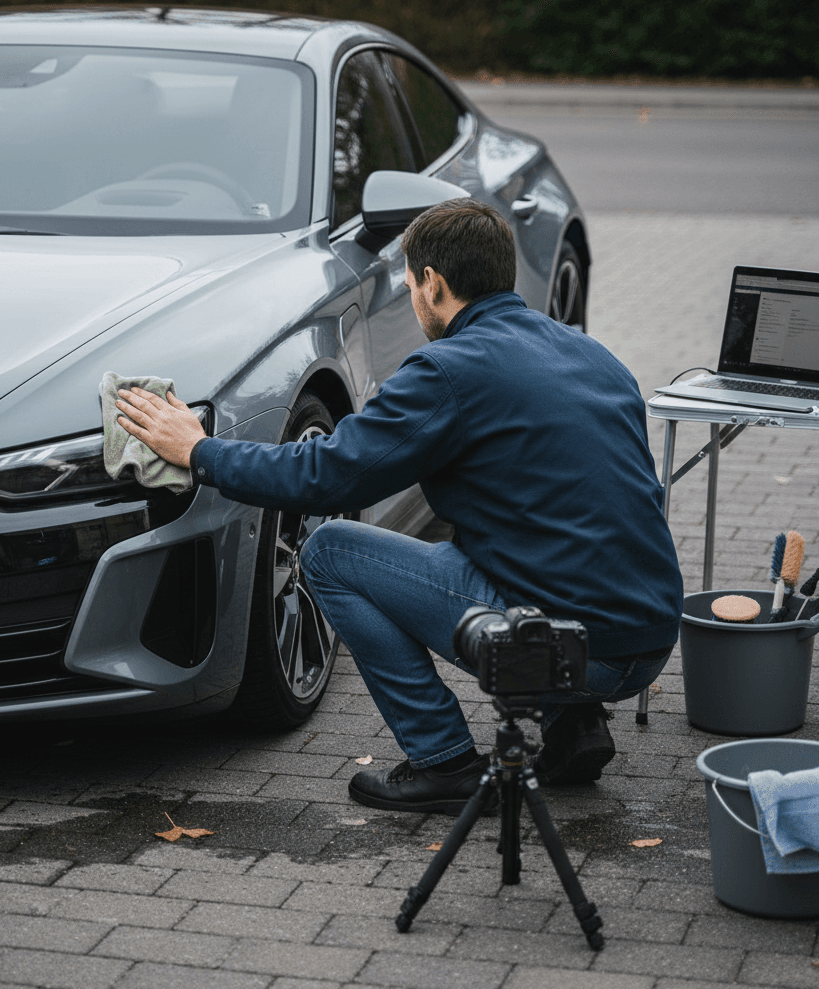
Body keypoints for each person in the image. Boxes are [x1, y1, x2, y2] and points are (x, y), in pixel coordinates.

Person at [114, 199, 683, 816]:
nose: (411, 300)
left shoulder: (449, 370)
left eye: (411, 284)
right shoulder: (592, 355)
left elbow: (323, 475)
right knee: (506, 544)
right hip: (649, 640)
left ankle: (444, 763)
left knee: (332, 552)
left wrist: (198, 450)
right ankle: (574, 728)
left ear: (434, 285)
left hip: (576, 651)